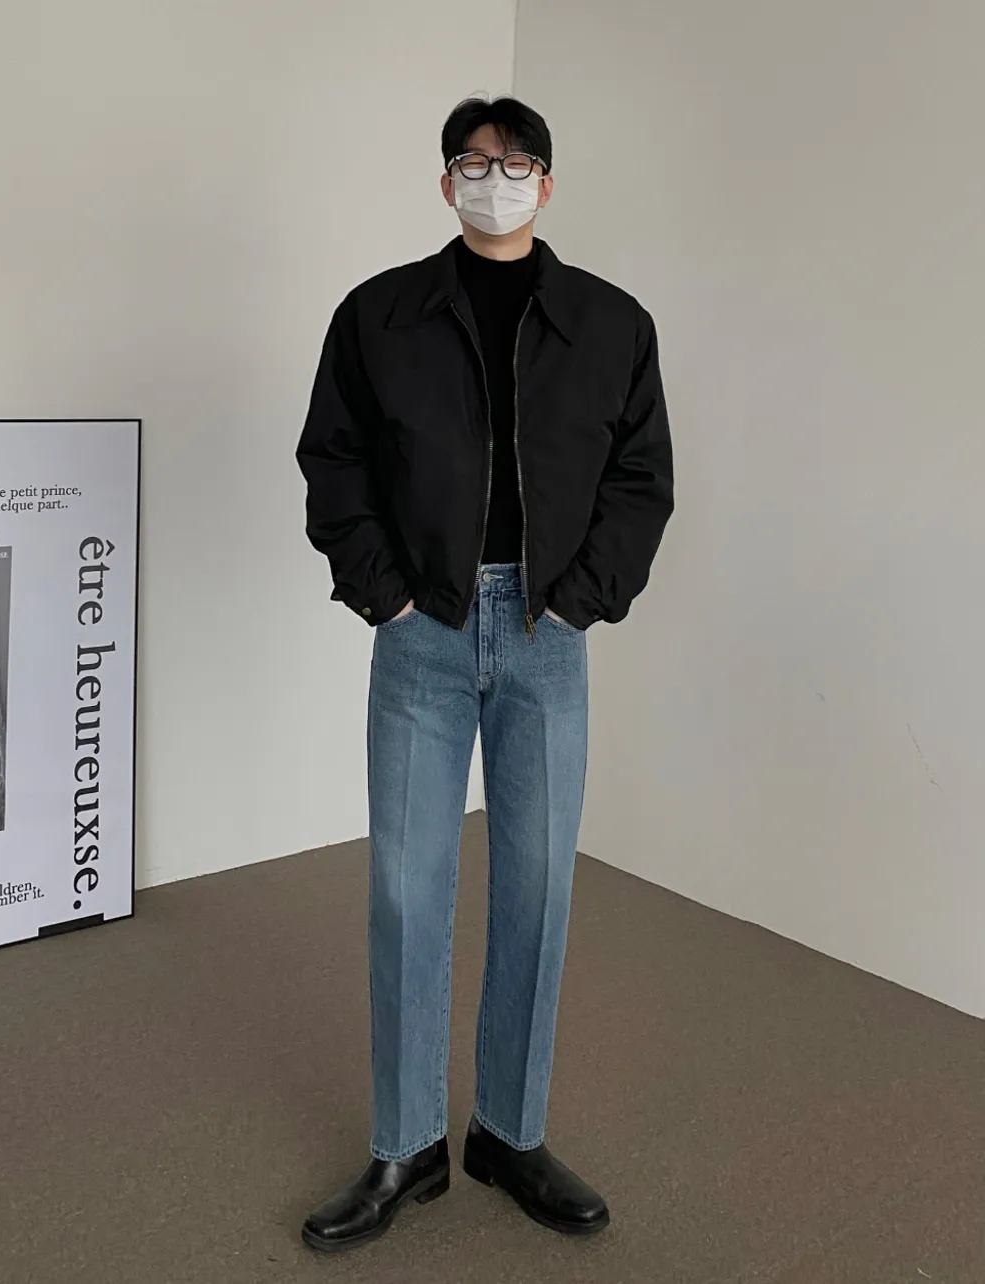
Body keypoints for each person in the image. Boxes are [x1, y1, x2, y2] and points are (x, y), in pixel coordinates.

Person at [296, 94, 673, 1252]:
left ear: (547, 185)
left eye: (515, 166)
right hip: (423, 626)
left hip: (547, 632)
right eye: (473, 162)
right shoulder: (379, 314)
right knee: (406, 889)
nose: (493, 181)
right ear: (445, 179)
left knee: (538, 887)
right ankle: (406, 1145)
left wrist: (577, 599)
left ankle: (509, 1132)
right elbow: (333, 459)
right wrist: (387, 591)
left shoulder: (610, 322)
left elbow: (641, 479)